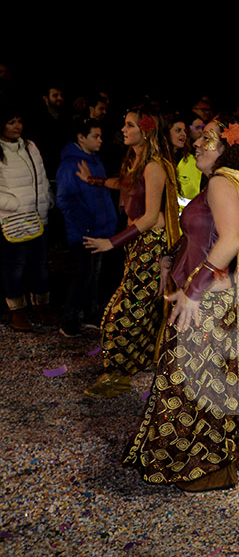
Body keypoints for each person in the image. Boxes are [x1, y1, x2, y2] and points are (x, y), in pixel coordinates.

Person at [124, 117, 239, 491]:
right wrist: (172, 259)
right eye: (198, 139)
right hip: (208, 294)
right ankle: (197, 459)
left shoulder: (223, 182)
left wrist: (194, 291)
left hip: (209, 298)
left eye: (207, 140)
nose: (197, 145)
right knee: (194, 377)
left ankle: (208, 466)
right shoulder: (220, 183)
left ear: (226, 149)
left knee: (193, 380)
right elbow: (205, 236)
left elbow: (229, 241)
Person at [80, 107, 180, 398]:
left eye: (129, 125)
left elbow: (149, 216)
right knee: (139, 309)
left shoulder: (154, 166)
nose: (123, 130)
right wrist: (95, 181)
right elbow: (124, 185)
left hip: (151, 246)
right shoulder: (137, 162)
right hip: (139, 245)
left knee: (121, 312)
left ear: (145, 131)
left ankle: (119, 374)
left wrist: (112, 242)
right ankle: (137, 365)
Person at [56, 118, 118, 336]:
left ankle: (90, 314)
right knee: (83, 274)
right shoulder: (71, 164)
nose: (100, 140)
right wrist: (86, 226)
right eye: (95, 136)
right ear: (81, 138)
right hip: (84, 233)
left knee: (94, 274)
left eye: (100, 136)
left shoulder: (95, 160)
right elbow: (65, 199)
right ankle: (69, 320)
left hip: (100, 229)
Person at [0, 103, 54, 331]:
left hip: (38, 216)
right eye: (11, 122)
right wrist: (15, 205)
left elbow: (40, 175)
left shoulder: (29, 146)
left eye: (19, 121)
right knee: (15, 266)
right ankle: (17, 311)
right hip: (13, 219)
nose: (17, 126)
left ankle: (42, 307)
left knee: (40, 265)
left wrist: (47, 198)